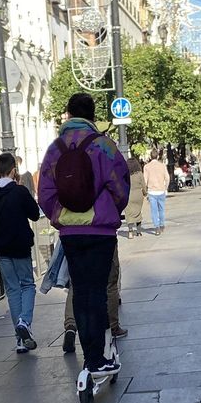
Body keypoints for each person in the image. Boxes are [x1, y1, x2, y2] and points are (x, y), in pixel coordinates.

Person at [38, 92, 130, 375]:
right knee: (99, 290)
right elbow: (121, 186)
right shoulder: (104, 146)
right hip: (100, 231)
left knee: (80, 292)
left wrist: (61, 217)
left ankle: (89, 356)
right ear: (93, 115)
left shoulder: (55, 149)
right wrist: (107, 210)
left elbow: (44, 193)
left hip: (71, 233)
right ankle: (99, 357)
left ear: (67, 114)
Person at [0, 153, 42, 353]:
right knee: (28, 285)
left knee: (13, 289)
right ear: (14, 169)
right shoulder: (19, 191)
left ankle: (20, 339)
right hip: (20, 246)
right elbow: (34, 213)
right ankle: (24, 322)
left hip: (1, 248)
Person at [143, 151, 170, 235]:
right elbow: (167, 178)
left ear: (150, 157)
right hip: (161, 190)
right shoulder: (162, 166)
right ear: (157, 156)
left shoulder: (147, 167)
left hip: (152, 191)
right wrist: (165, 187)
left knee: (154, 210)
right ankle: (162, 224)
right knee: (161, 209)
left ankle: (157, 227)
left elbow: (145, 180)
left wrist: (145, 190)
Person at [122, 151, 146, 238]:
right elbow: (144, 185)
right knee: (138, 212)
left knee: (129, 214)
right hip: (138, 195)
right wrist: (145, 192)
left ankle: (130, 231)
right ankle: (139, 231)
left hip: (129, 194)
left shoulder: (125, 175)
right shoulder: (139, 173)